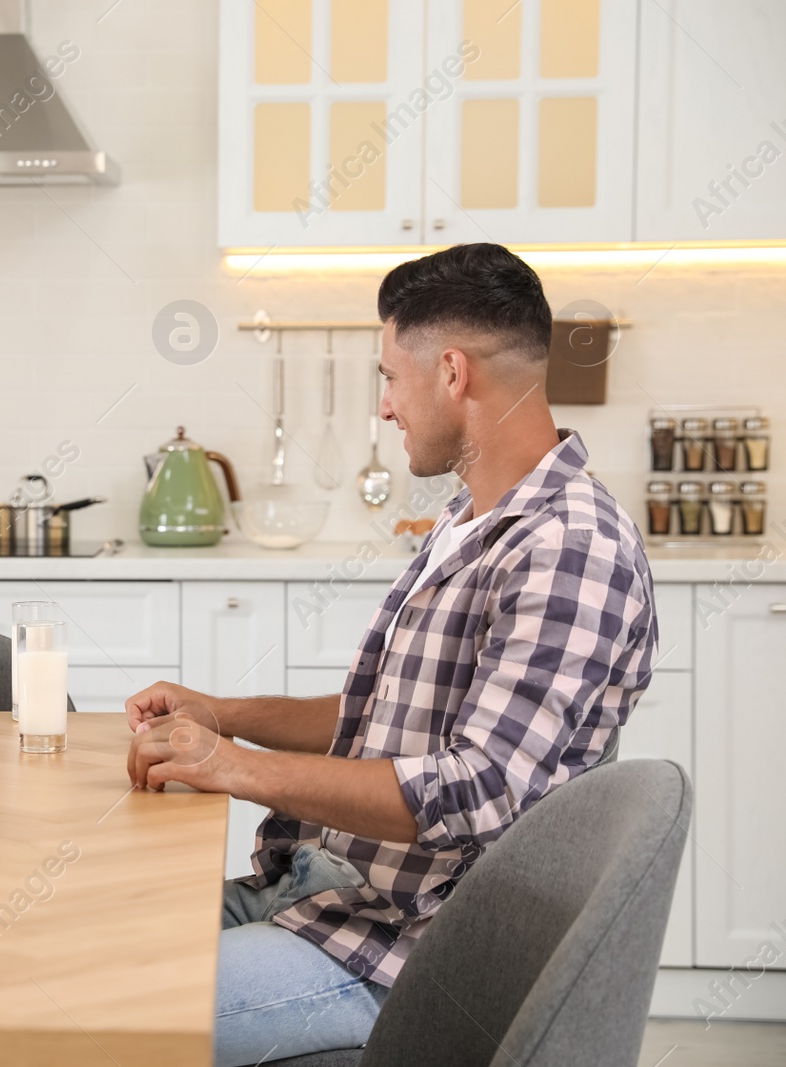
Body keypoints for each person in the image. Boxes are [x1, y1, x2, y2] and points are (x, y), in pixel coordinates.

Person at [125, 243, 657, 1065]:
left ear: (451, 373)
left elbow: (480, 788)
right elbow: (387, 722)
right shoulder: (471, 518)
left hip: (411, 952)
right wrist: (222, 715)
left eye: (389, 378)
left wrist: (231, 765)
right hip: (330, 895)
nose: (383, 407)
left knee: (95, 1018)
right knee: (79, 950)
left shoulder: (569, 545)